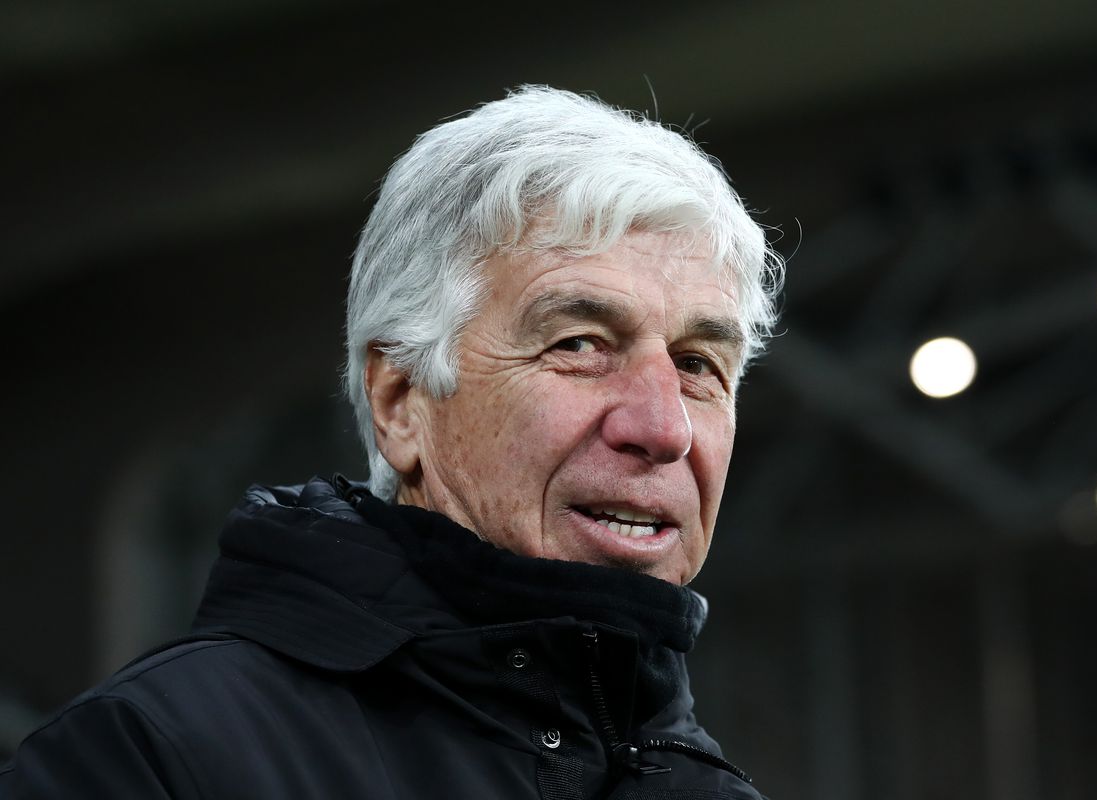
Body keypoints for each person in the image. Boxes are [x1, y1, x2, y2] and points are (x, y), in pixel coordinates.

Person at [1, 85, 783, 799]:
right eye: (578, 344)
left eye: (697, 365)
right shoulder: (149, 762)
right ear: (400, 402)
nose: (663, 428)